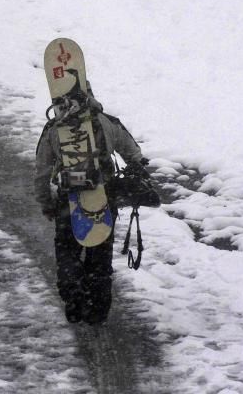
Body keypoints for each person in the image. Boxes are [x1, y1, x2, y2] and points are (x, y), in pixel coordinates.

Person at [34, 85, 148, 325]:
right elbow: (134, 155)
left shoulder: (53, 129)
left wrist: (46, 203)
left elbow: (41, 172)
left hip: (67, 199)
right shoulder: (107, 122)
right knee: (100, 255)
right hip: (104, 197)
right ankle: (97, 309)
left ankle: (74, 299)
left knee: (67, 252)